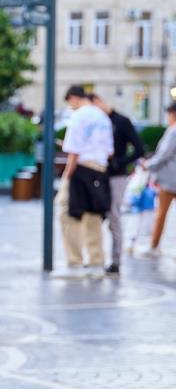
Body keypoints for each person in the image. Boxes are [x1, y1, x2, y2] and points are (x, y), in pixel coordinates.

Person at [56, 85, 113, 279]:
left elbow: (73, 151)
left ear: (73, 98)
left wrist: (67, 175)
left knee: (68, 213)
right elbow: (109, 150)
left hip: (81, 168)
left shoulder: (79, 116)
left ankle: (75, 262)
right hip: (100, 169)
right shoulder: (102, 117)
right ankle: (96, 262)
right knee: (93, 216)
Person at [89, 93, 144, 275]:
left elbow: (139, 149)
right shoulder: (97, 123)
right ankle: (97, 257)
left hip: (116, 176)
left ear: (98, 102)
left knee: (114, 216)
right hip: (98, 175)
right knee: (95, 216)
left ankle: (116, 260)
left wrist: (119, 162)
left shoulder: (121, 121)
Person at [141, 101, 176, 257]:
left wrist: (148, 165)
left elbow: (163, 154)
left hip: (170, 179)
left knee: (161, 213)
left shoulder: (173, 131)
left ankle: (154, 246)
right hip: (170, 177)